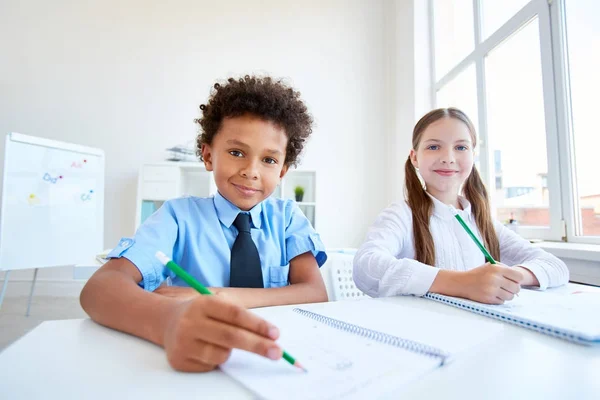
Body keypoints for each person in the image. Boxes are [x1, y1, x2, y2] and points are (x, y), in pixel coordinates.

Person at [80, 75, 328, 372]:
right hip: (199, 360)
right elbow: (99, 289)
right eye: (237, 153)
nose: (251, 171)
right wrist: (168, 320)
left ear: (284, 170)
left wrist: (218, 296)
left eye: (269, 160)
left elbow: (315, 293)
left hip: (275, 355)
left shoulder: (288, 217)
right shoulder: (178, 217)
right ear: (208, 155)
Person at [353, 107, 569, 304]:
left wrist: (508, 278)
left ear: (473, 156)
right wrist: (462, 283)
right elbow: (366, 267)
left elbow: (555, 266)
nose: (448, 158)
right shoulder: (401, 214)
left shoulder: (482, 222)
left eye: (461, 147)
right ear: (415, 158)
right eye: (434, 146)